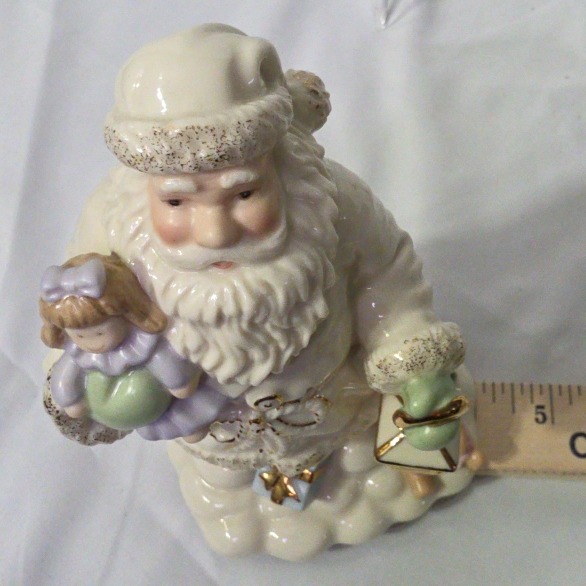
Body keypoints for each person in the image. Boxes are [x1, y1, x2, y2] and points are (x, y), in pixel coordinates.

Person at [46, 24, 481, 557]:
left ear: (277, 164)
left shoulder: (332, 203)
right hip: (216, 439)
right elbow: (76, 316)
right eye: (177, 202)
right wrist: (89, 392)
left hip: (344, 412)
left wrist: (407, 351)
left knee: (375, 483)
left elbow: (386, 275)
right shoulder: (114, 223)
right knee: (244, 518)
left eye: (245, 193)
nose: (215, 234)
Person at [40, 252, 228, 441]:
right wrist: (69, 399)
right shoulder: (79, 353)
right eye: (79, 335)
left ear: (128, 312)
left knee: (188, 415)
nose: (92, 343)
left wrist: (177, 382)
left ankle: (195, 426)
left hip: (163, 402)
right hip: (130, 416)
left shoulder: (141, 345)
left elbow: (164, 360)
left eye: (99, 333)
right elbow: (65, 376)